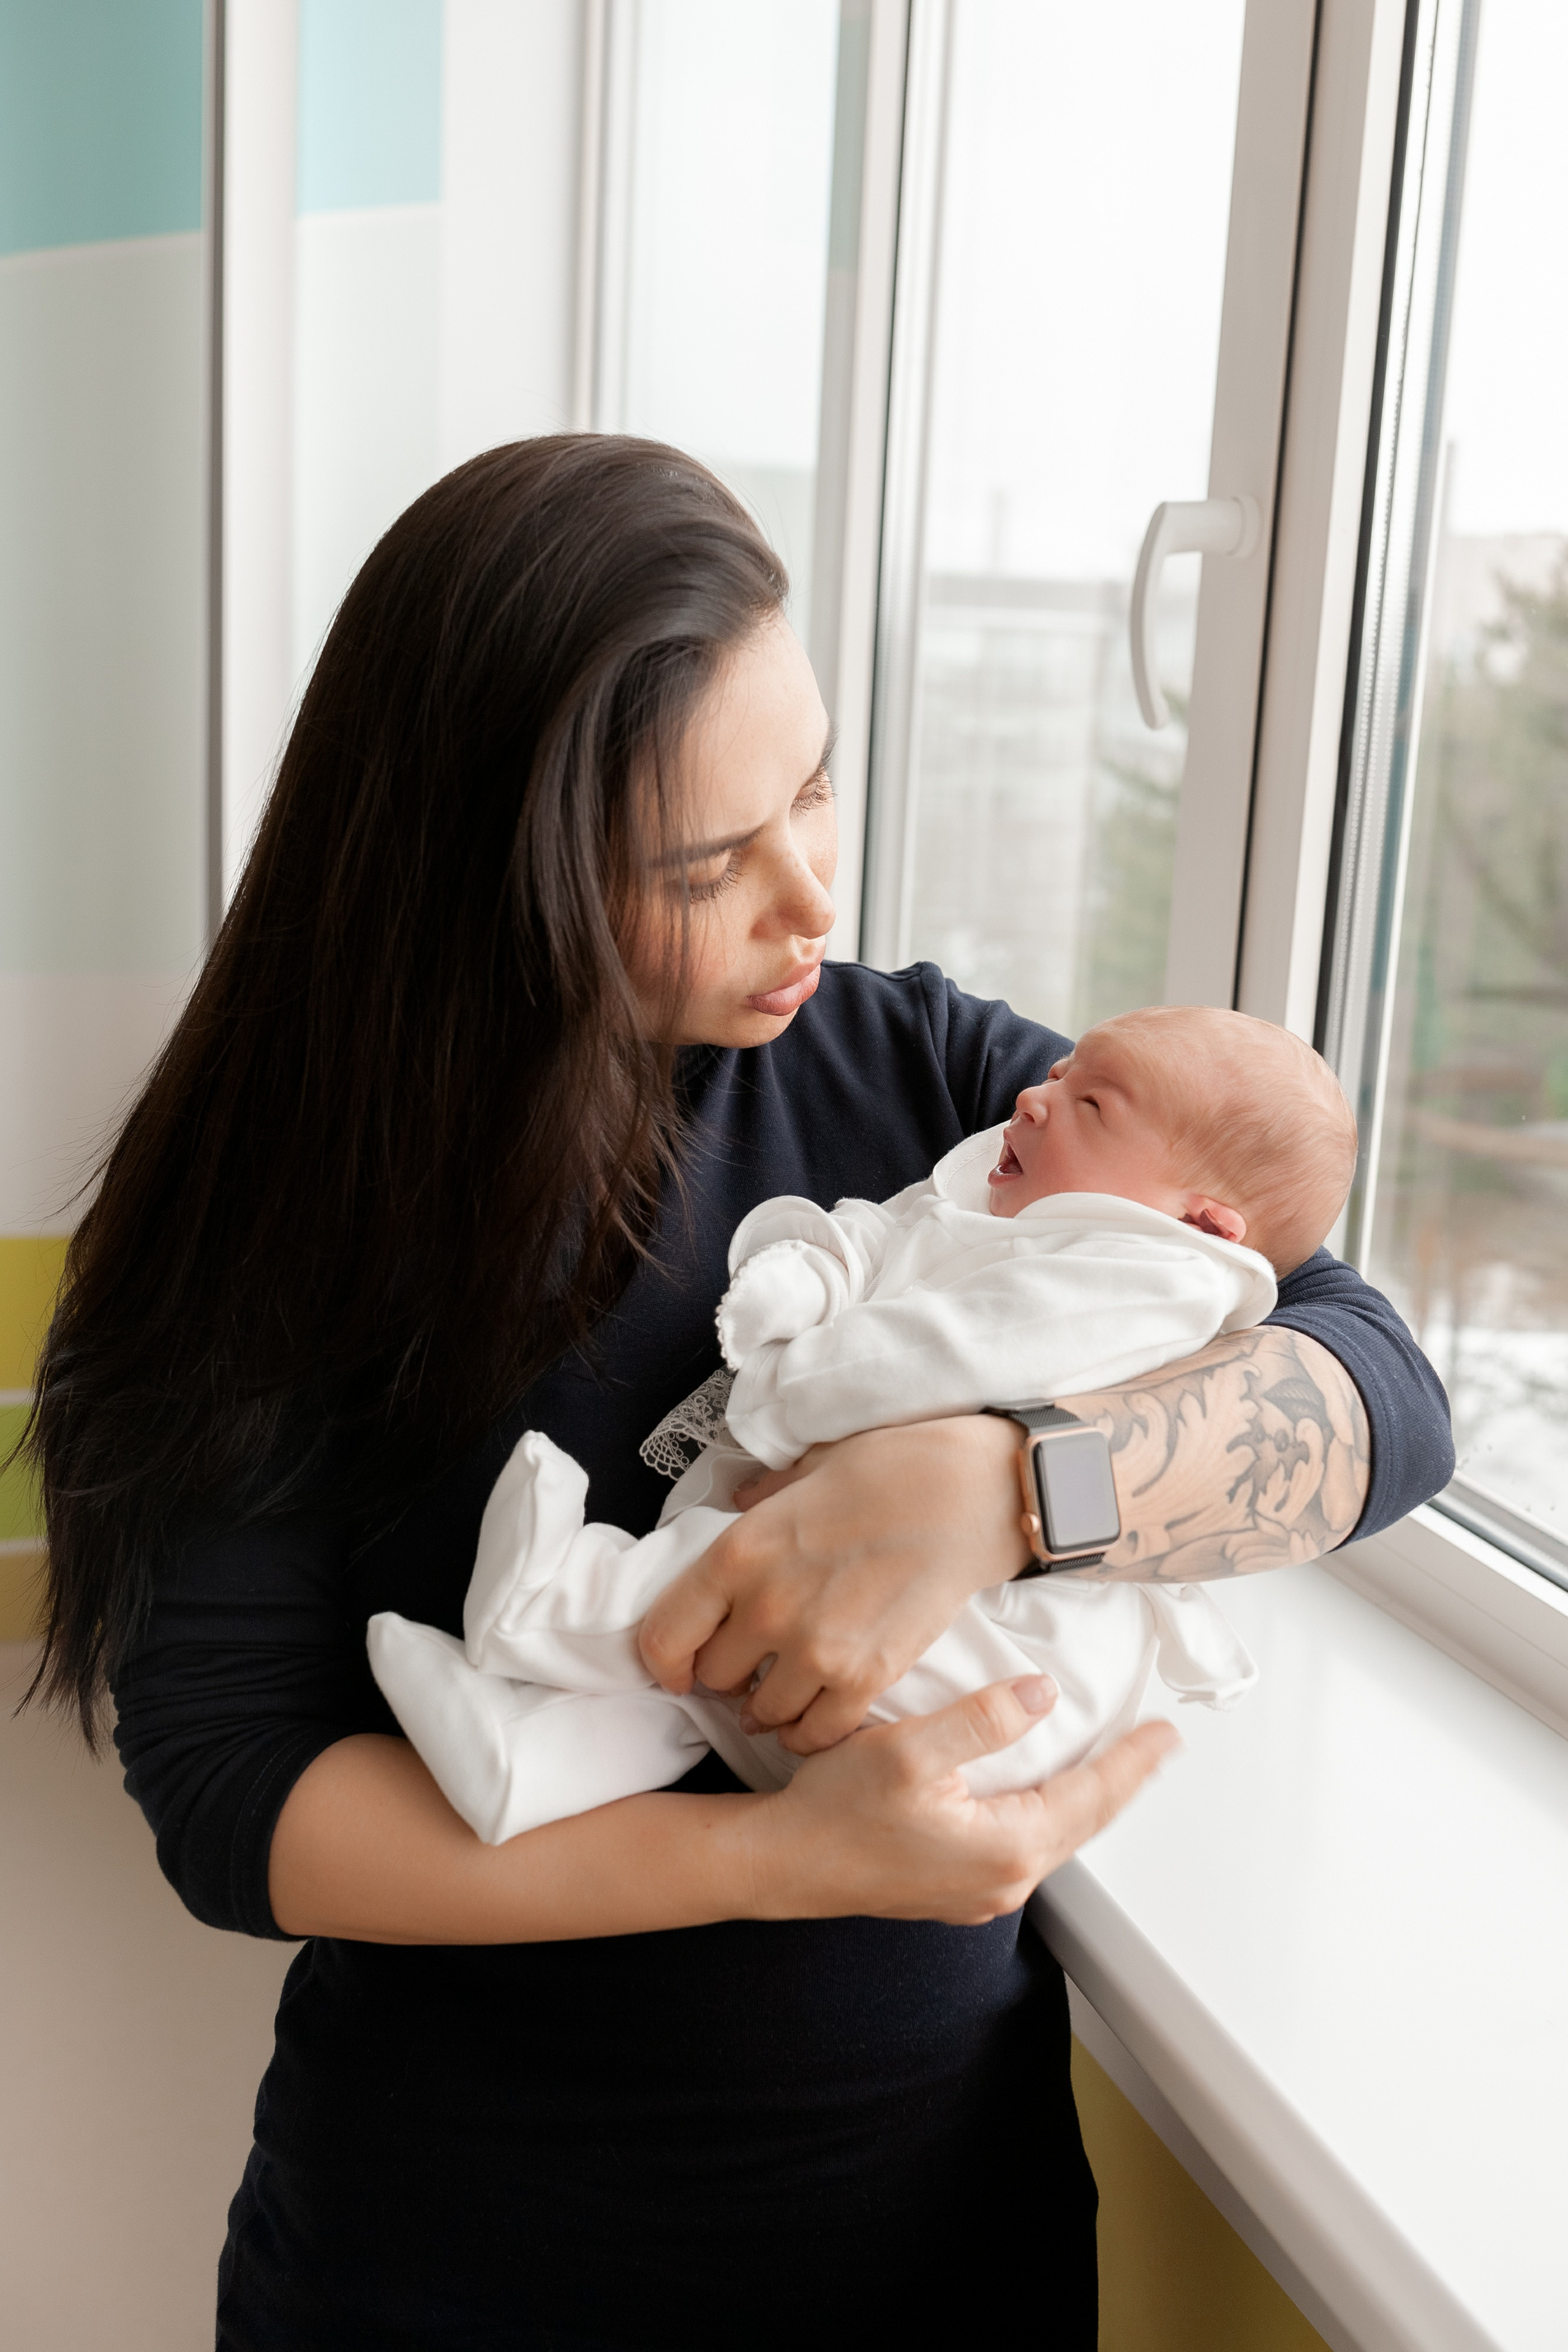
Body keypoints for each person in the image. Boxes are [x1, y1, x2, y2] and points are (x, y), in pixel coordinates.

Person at [23, 437, 1453, 2350]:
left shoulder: (940, 1085)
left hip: (941, 2240)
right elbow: (235, 1801)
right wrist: (770, 1862)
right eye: (708, 865)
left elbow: (1378, 1391)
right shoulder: (265, 1220)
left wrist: (1005, 1492)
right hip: (457, 2270)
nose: (810, 900)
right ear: (495, 877)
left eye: (817, 787)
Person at [369, 1003, 1356, 1844]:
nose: (1032, 1092)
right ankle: (522, 1764)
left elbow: (948, 1348)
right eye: (1060, 1073)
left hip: (1007, 1662)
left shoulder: (1150, 1273)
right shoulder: (1050, 1191)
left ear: (1203, 1223)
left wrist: (989, 1480)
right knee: (696, 1689)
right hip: (893, 1715)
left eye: (1088, 1101)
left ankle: (553, 1602)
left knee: (737, 1574)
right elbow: (897, 1240)